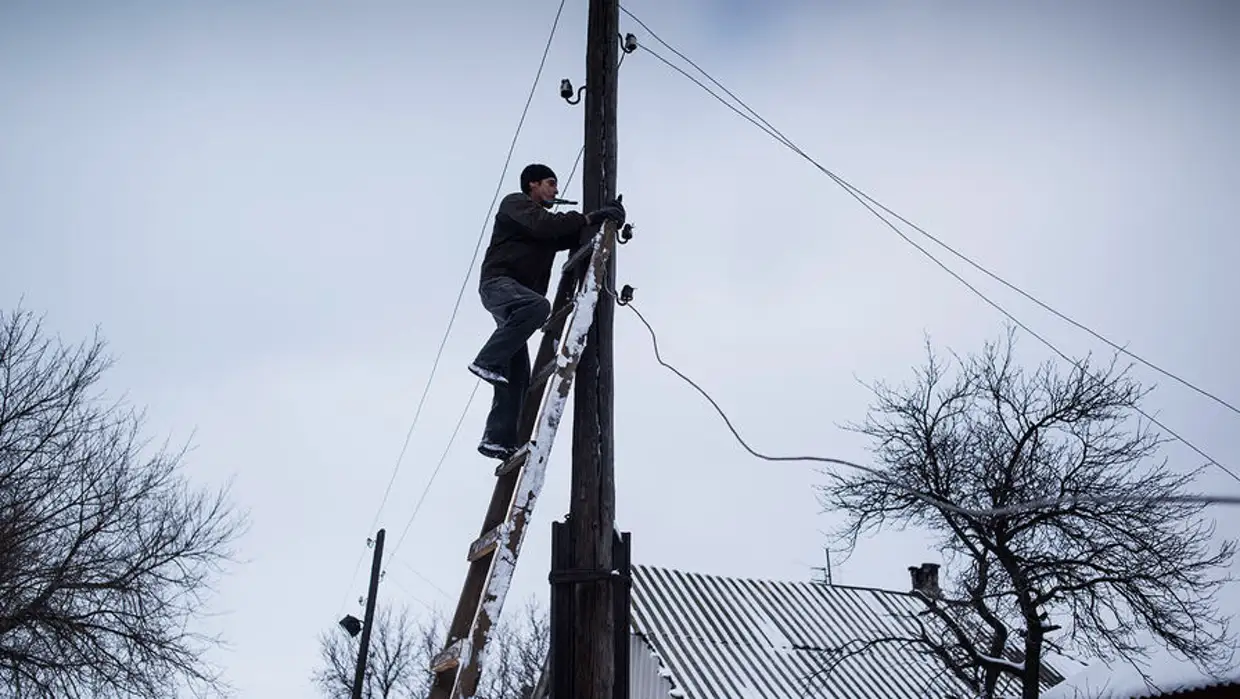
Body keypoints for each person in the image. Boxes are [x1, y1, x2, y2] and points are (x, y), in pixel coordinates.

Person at [469, 163, 625, 460]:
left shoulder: (543, 224)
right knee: (538, 307)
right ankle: (487, 360)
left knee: (517, 376)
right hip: (499, 285)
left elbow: (566, 235)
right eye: (550, 184)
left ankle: (497, 440)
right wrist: (590, 215)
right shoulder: (515, 204)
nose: (555, 190)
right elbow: (546, 226)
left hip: (518, 301)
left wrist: (607, 220)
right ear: (532, 185)